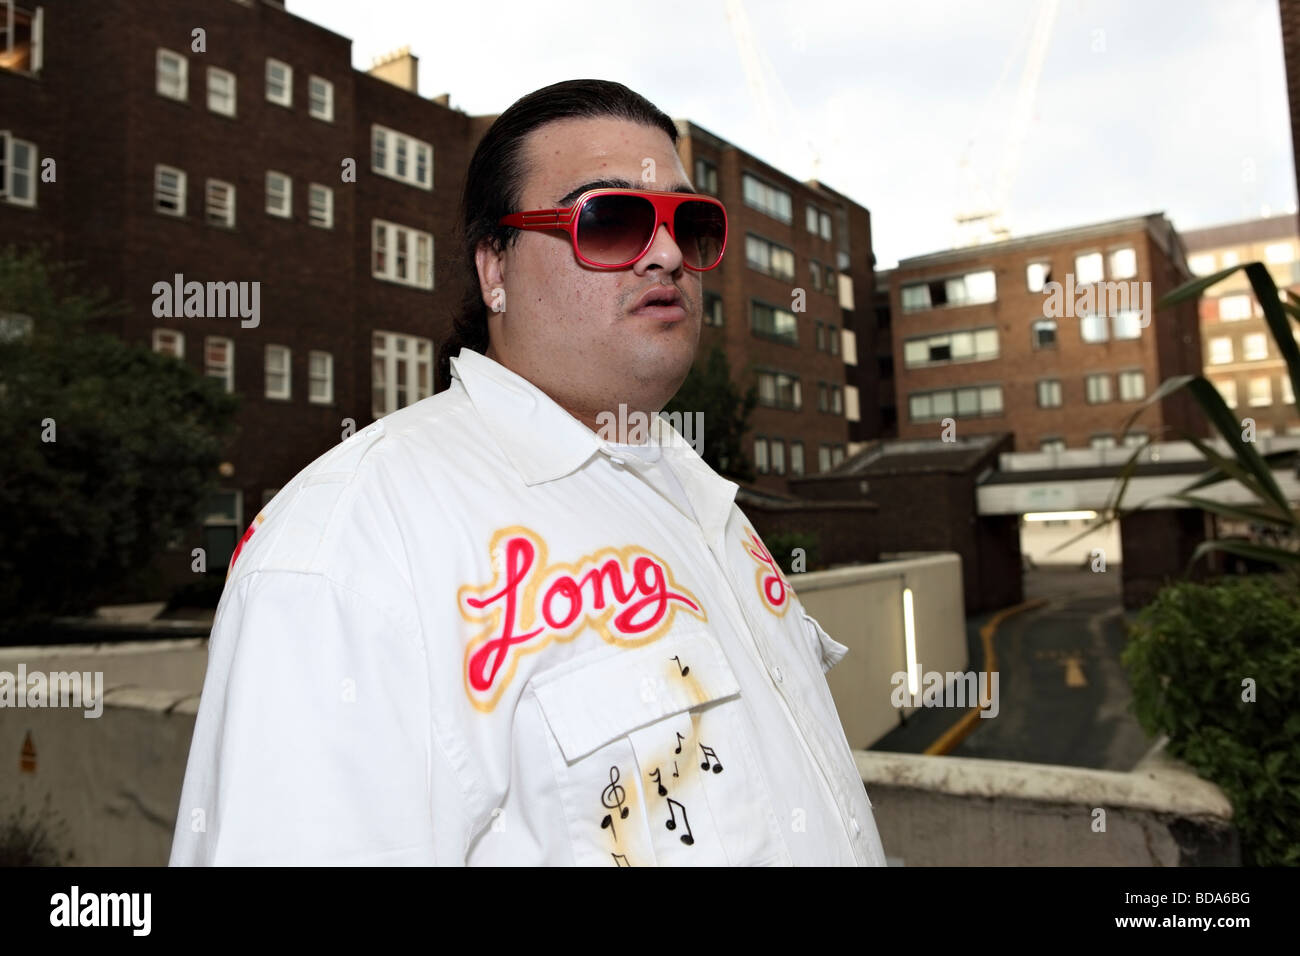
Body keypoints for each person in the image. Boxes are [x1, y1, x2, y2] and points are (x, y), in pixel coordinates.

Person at [169, 78, 887, 866]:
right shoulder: (355, 543)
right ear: (493, 270)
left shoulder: (703, 500)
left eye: (692, 224)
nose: (668, 253)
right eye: (609, 221)